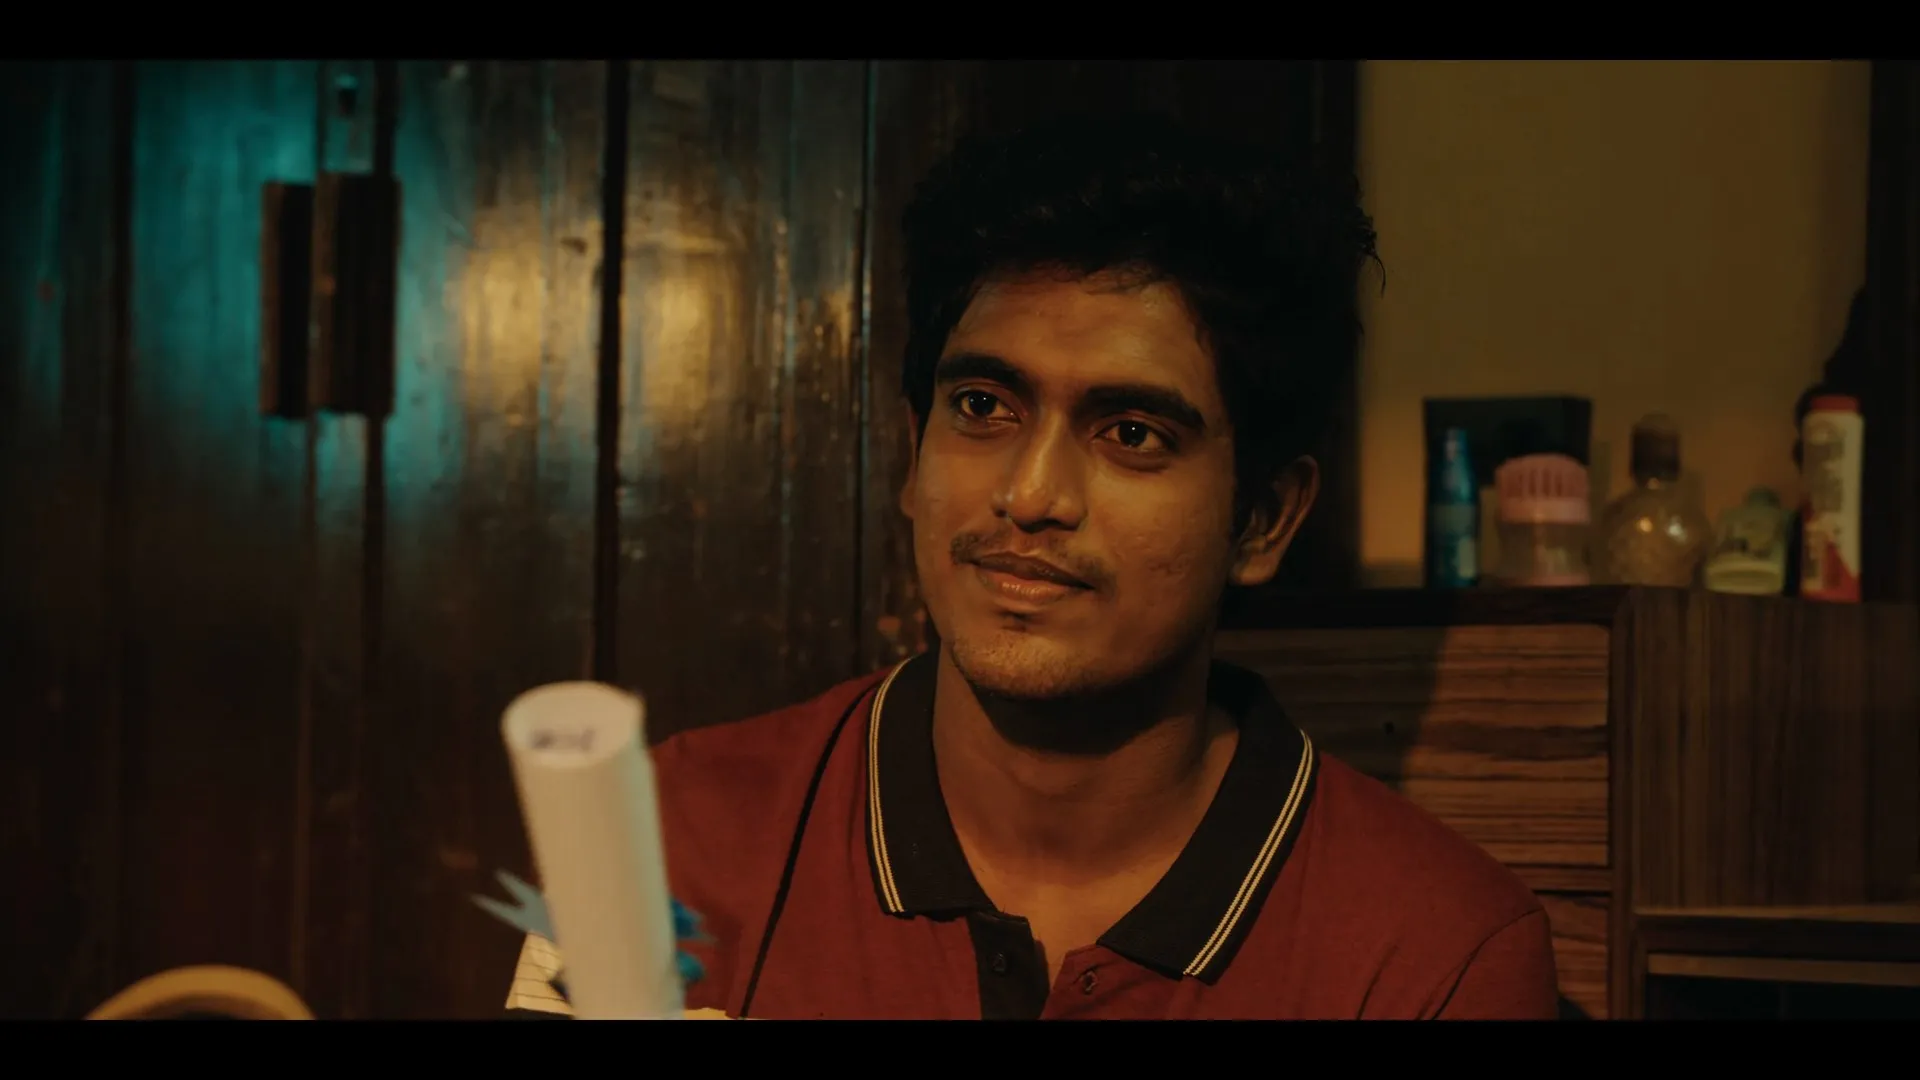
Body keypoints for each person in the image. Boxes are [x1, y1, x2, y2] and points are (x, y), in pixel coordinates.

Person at [504, 111, 1560, 1020]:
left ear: (1265, 519)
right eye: (983, 407)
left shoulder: (1436, 956)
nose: (1031, 493)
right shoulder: (660, 839)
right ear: (913, 452)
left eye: (1132, 433)